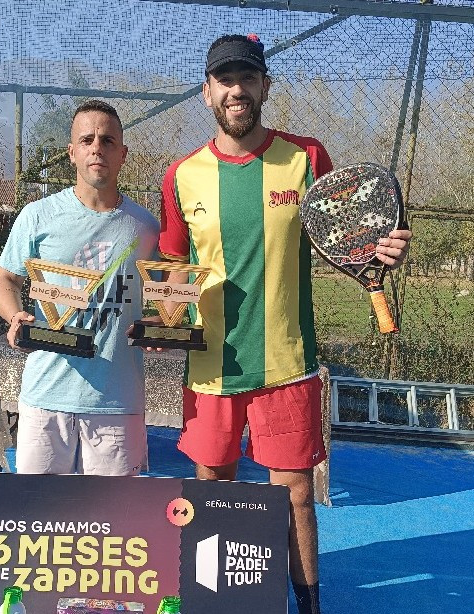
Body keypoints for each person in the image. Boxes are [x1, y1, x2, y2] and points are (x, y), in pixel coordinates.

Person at [157, 35, 412, 614]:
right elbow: (172, 265)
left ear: (265, 87)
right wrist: (161, 319)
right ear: (207, 93)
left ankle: (308, 606)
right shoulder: (180, 175)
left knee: (295, 495)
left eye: (248, 78)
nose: (237, 90)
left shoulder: (307, 157)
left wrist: (384, 251)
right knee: (211, 491)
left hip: (288, 365)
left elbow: (347, 236)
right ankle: (211, 602)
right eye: (225, 80)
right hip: (212, 365)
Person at [0, 99, 159, 476]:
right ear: (71, 153)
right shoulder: (37, 216)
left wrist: (162, 324)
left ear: (123, 154)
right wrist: (15, 315)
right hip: (46, 397)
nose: (97, 147)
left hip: (117, 403)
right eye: (87, 140)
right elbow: (4, 281)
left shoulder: (146, 227)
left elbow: (170, 295)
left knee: (114, 513)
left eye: (107, 140)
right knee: (39, 509)